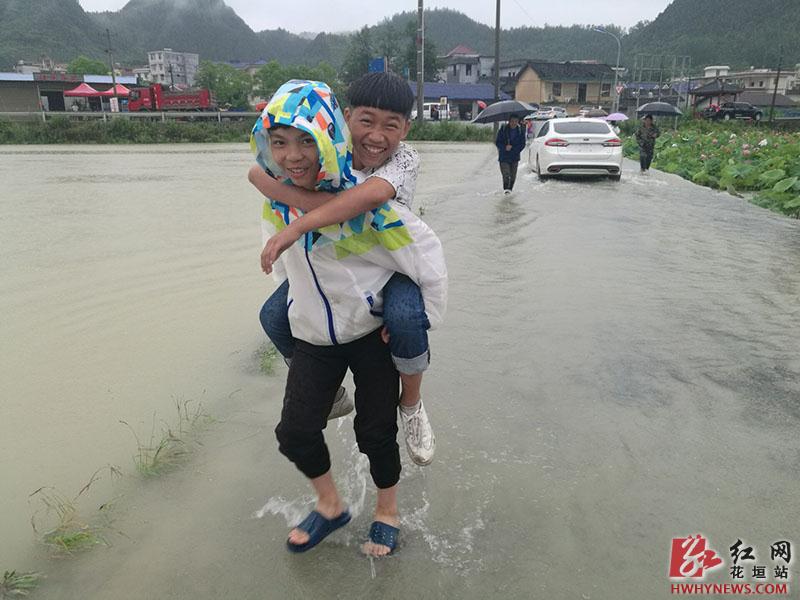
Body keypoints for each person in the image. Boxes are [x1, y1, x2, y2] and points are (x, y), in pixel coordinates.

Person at [249, 79, 447, 557]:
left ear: (406, 129)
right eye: (280, 144)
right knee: (293, 423)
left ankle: (394, 484)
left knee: (379, 413)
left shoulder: (386, 174)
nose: (293, 155)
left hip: (377, 306)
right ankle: (331, 504)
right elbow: (266, 173)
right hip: (318, 326)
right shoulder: (294, 173)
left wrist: (290, 211)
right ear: (343, 122)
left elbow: (360, 205)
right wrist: (269, 177)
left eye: (391, 125)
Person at [495, 115, 526, 193]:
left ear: (518, 122)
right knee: (506, 175)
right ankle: (506, 191)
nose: (514, 123)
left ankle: (510, 191)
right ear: (509, 121)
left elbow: (522, 144)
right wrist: (504, 147)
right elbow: (497, 142)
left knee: (513, 177)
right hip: (504, 157)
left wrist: (513, 149)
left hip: (514, 157)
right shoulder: (503, 129)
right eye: (512, 121)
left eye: (516, 121)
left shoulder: (520, 131)